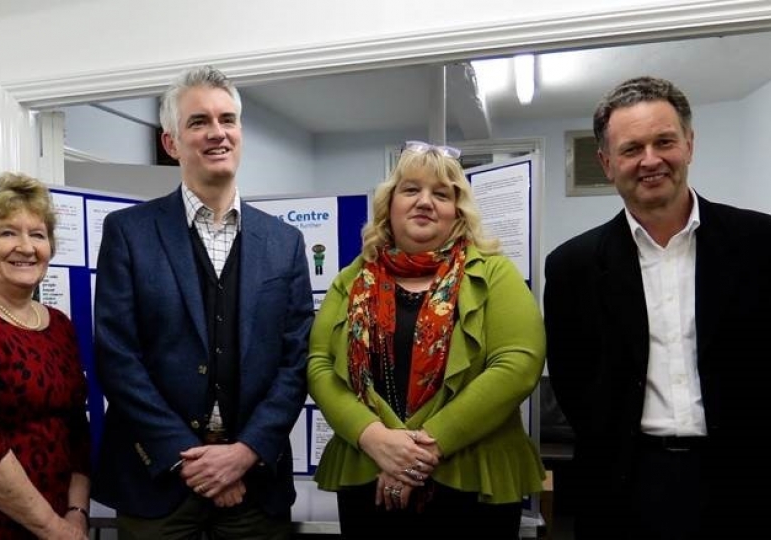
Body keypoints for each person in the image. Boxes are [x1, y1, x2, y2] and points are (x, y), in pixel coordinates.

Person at [91, 65, 315, 539]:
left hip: (255, 486)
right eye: (198, 122)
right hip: (158, 485)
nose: (218, 133)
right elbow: (118, 358)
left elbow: (297, 361)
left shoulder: (285, 242)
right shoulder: (128, 233)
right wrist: (185, 458)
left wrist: (244, 453)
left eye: (227, 119)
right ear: (171, 143)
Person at [544, 76, 771, 539]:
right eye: (631, 149)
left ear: (689, 144)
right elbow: (572, 379)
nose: (650, 160)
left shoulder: (761, 244)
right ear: (607, 163)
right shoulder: (573, 266)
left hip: (748, 479)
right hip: (625, 487)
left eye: (664, 141)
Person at [307, 141, 546, 539]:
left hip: (472, 478)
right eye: (411, 189)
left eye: (441, 193)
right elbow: (318, 364)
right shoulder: (351, 279)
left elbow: (518, 364)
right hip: (368, 471)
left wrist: (420, 451)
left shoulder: (495, 273)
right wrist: (375, 438)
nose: (424, 202)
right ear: (390, 204)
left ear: (458, 211)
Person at [0, 173, 91, 539]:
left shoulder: (58, 325)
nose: (26, 247)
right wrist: (53, 528)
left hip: (61, 521)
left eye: (37, 234)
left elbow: (77, 430)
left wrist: (76, 514)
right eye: (8, 232)